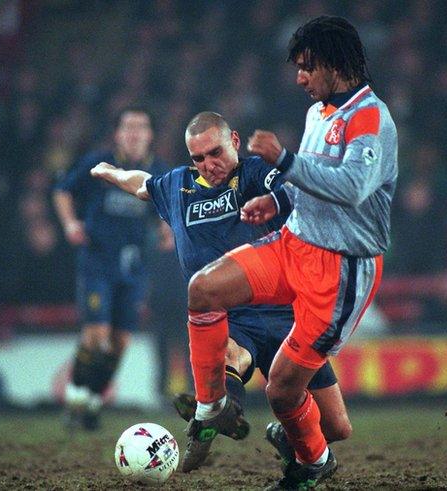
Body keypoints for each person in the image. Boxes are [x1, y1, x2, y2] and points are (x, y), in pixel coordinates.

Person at [183, 17, 398, 489]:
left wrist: (284, 161)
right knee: (203, 289)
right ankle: (211, 406)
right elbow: (307, 184)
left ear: (333, 64)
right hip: (292, 244)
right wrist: (277, 199)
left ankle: (313, 461)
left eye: (306, 67)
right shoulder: (318, 112)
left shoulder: (372, 118)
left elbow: (355, 187)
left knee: (283, 389)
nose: (299, 77)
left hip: (341, 270)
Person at [90, 111, 352, 473]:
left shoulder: (257, 172)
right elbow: (141, 184)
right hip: (228, 316)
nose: (208, 165)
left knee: (337, 427)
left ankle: (265, 429)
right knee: (230, 355)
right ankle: (214, 413)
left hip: (287, 313)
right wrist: (109, 172)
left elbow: (295, 189)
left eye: (215, 153)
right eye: (198, 157)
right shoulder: (178, 187)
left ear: (234, 141)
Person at [53, 106, 167, 430]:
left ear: (150, 135)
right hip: (97, 262)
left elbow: (168, 205)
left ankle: (92, 403)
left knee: (120, 343)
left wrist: (166, 227)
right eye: (127, 126)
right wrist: (70, 223)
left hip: (134, 268)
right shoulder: (97, 163)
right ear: (117, 134)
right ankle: (75, 396)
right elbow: (62, 190)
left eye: (140, 126)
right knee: (96, 336)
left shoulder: (157, 169)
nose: (134, 132)